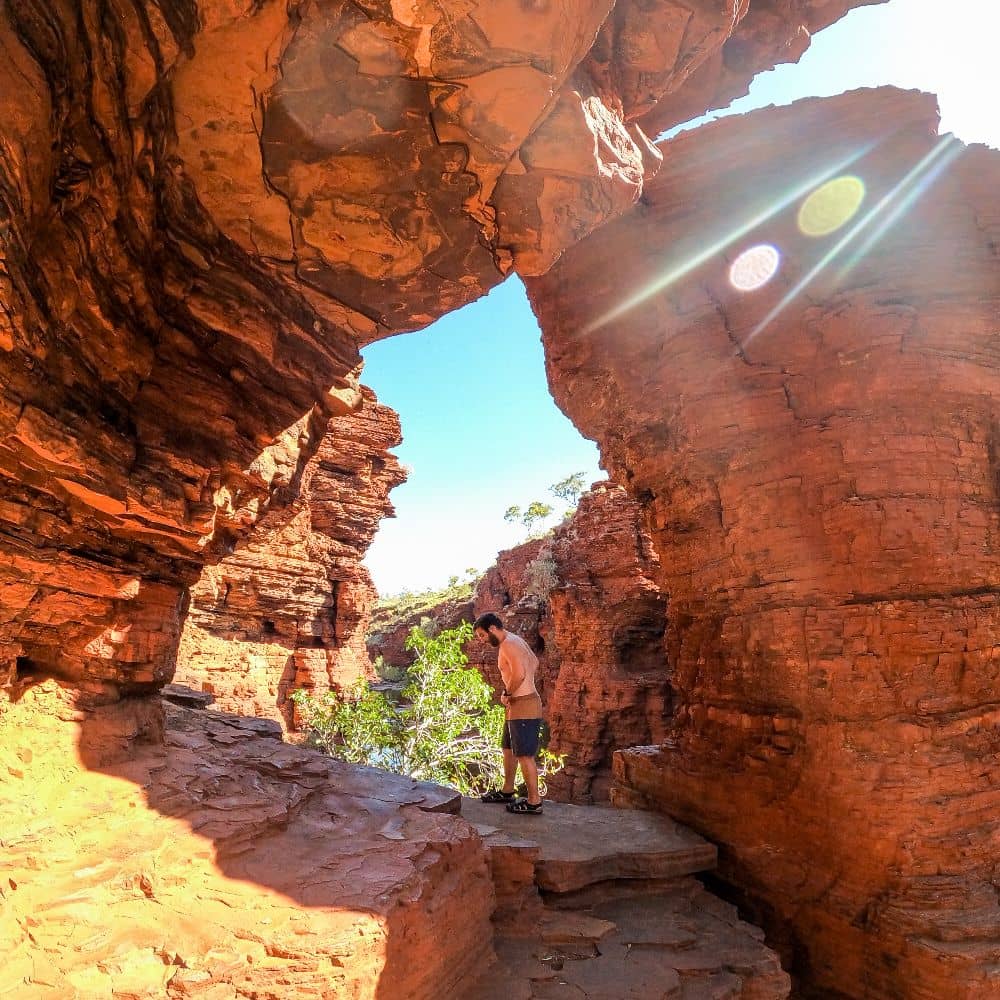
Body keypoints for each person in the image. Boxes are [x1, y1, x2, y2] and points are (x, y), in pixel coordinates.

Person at [473, 612, 545, 815]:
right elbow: (534, 663)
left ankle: (534, 802)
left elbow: (520, 674)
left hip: (524, 704)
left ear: (492, 629)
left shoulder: (508, 644)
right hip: (519, 704)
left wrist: (507, 693)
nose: (482, 640)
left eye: (482, 635)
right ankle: (507, 790)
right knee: (507, 747)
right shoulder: (516, 640)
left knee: (524, 755)